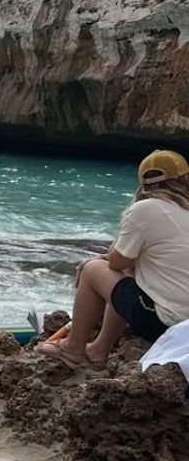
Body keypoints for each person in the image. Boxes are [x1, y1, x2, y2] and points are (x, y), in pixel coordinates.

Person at [38, 150, 189, 367]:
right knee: (128, 274)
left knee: (92, 270)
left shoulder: (145, 209)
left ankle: (73, 348)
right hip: (186, 329)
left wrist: (101, 259)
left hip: (165, 323)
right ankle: (99, 350)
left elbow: (118, 262)